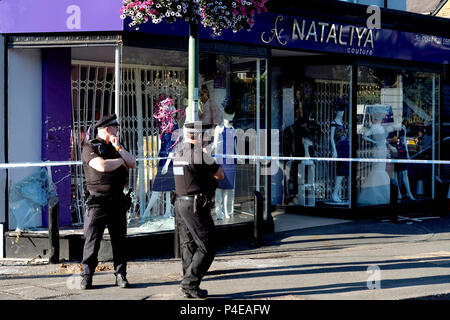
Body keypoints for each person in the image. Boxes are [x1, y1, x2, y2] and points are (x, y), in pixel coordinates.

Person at [80, 113, 137, 290]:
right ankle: (87, 276)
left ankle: (121, 275)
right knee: (92, 241)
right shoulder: (90, 146)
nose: (118, 130)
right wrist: (120, 162)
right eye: (115, 127)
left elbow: (133, 163)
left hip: (117, 201)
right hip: (97, 202)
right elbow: (102, 166)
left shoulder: (116, 146)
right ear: (107, 129)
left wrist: (119, 148)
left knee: (119, 241)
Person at [173, 121, 224, 299]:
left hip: (180, 203)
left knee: (188, 244)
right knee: (207, 245)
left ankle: (188, 284)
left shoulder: (178, 152)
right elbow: (220, 174)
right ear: (200, 136)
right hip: (194, 205)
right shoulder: (199, 155)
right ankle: (190, 283)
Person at [330, 98, 350, 203]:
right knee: (341, 171)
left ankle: (336, 193)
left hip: (345, 148)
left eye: (342, 111)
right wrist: (334, 150)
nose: (341, 113)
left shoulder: (341, 122)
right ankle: (334, 194)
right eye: (340, 111)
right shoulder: (334, 122)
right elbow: (331, 137)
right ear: (336, 111)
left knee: (344, 171)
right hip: (339, 148)